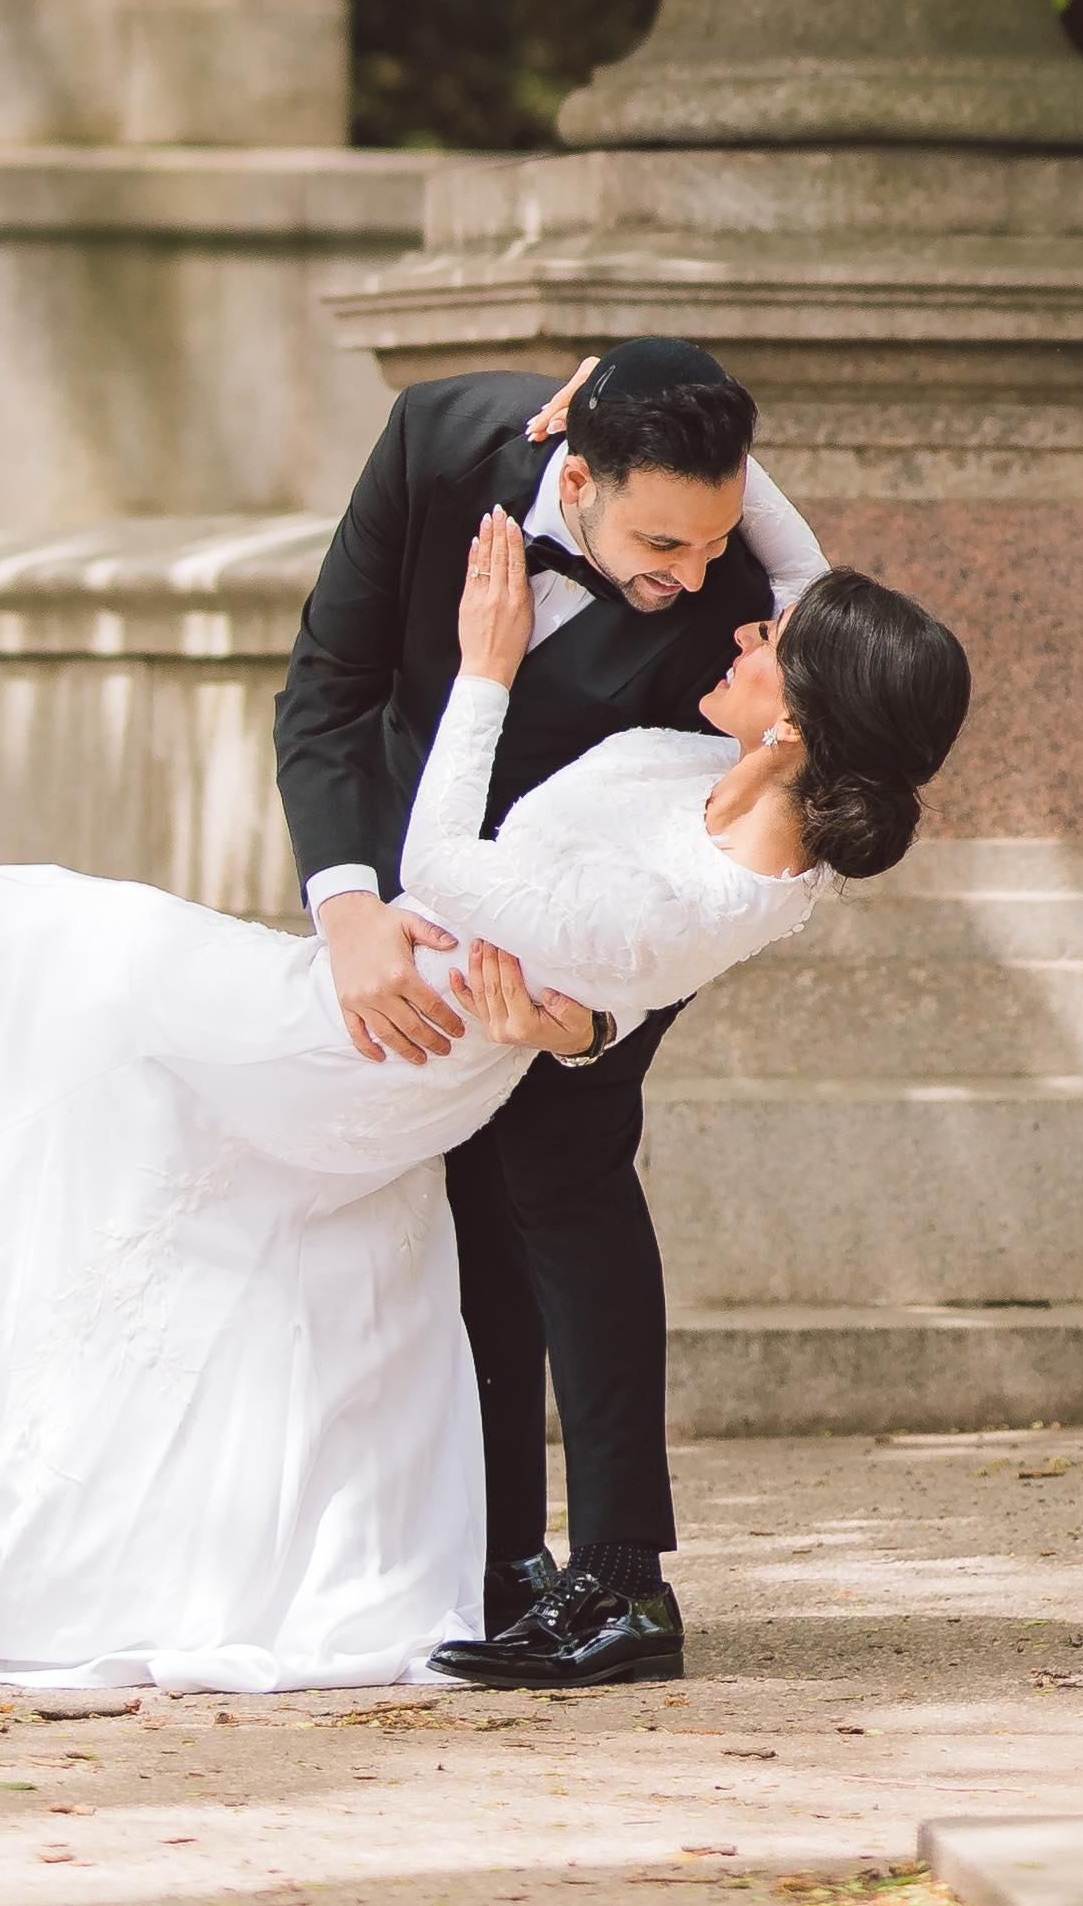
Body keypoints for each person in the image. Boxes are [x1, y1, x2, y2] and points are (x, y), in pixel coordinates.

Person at [0, 509, 970, 1699]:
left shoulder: (721, 886)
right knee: (127, 1082)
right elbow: (789, 577)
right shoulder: (732, 787)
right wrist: (616, 402)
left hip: (370, 1045)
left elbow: (447, 862)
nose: (745, 621)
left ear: (800, 722)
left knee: (87, 946)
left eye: (771, 638)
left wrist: (487, 666)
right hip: (385, 1006)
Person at [274, 337, 836, 1691]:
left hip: (591, 931)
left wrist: (595, 1028)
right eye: (658, 538)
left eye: (715, 538)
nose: (690, 576)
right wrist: (349, 906)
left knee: (560, 1171)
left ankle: (625, 1579)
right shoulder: (434, 440)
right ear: (573, 470)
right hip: (401, 905)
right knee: (447, 1195)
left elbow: (708, 868)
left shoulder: (740, 607)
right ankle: (491, 1554)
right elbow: (329, 690)